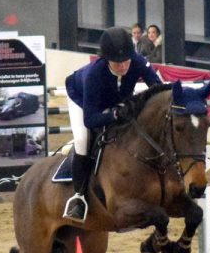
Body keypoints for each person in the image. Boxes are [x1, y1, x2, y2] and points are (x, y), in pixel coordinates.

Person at [62, 27, 164, 222]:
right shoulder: (94, 74)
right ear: (107, 59)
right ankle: (79, 197)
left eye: (126, 60)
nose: (124, 66)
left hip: (114, 99)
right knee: (83, 139)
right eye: (118, 63)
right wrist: (115, 114)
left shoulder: (138, 62)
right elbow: (90, 119)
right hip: (80, 98)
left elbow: (158, 88)